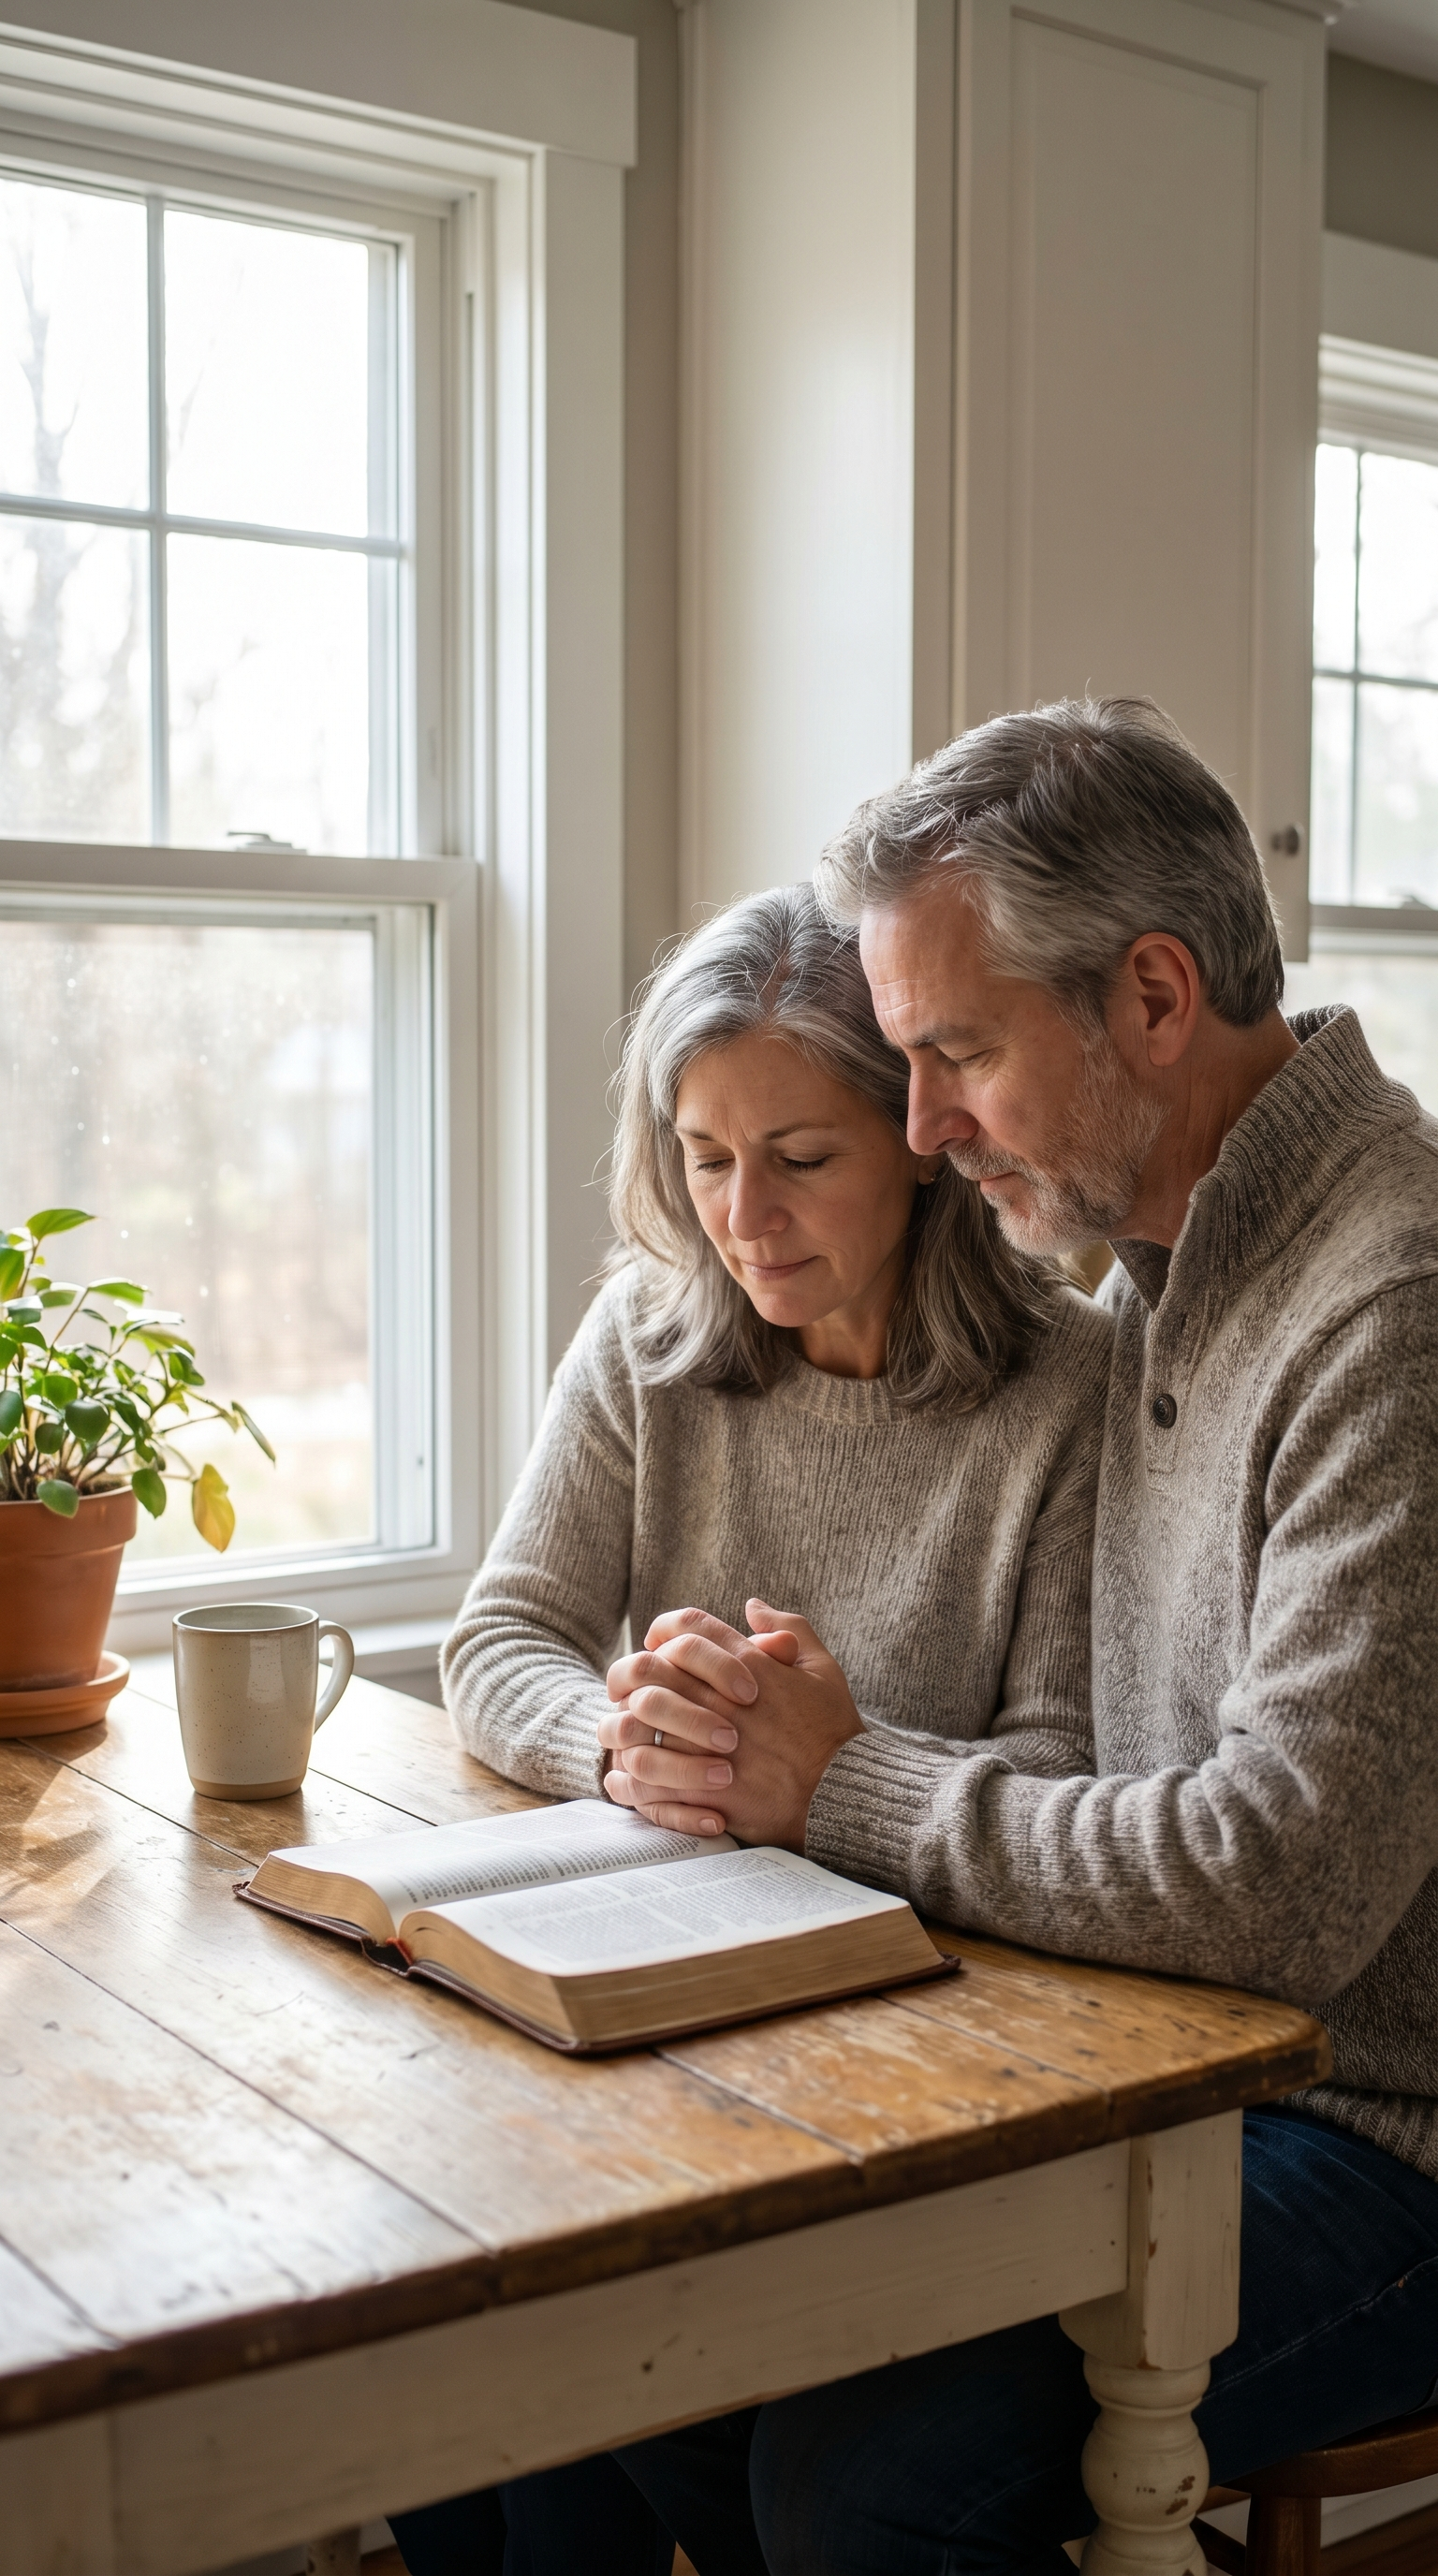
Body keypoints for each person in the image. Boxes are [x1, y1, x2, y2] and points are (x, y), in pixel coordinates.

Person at [610, 698, 1438, 2576]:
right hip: (1162, 2060)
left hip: (1380, 2128)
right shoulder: (1165, 1271)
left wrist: (845, 1780)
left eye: (959, 1052)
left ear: (1152, 998)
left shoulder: (1392, 1303)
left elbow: (1281, 1880)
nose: (921, 1127)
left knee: (857, 2480)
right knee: (672, 2346)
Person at [389, 882, 1112, 2576]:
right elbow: (503, 1637)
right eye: (704, 1157)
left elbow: (1065, 1764)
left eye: (798, 1157)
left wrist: (824, 1776)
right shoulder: (649, 1336)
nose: (741, 1215)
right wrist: (632, 1743)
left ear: (920, 1142)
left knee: (605, 2361)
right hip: (668, 2004)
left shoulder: (1068, 1389)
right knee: (441, 2325)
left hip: (926, 2044)